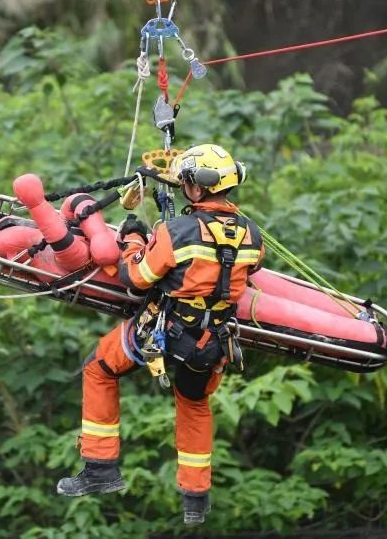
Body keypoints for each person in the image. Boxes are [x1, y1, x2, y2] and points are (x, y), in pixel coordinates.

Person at [56, 143, 265, 525]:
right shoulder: (253, 235)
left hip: (166, 330)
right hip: (213, 342)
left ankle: (100, 470)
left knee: (99, 367)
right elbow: (239, 272)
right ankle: (196, 500)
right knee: (194, 404)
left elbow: (135, 279)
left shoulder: (178, 231)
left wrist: (135, 239)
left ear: (198, 189)